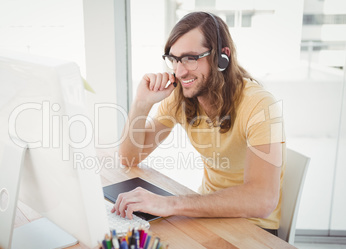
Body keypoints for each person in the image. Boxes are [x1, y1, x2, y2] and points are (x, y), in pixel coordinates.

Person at [112, 11, 285, 234]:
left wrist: (170, 204)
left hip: (253, 228)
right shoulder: (181, 96)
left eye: (191, 58)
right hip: (207, 217)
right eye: (174, 59)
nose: (180, 71)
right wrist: (141, 104)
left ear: (223, 56)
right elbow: (129, 157)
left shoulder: (259, 105)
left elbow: (262, 199)